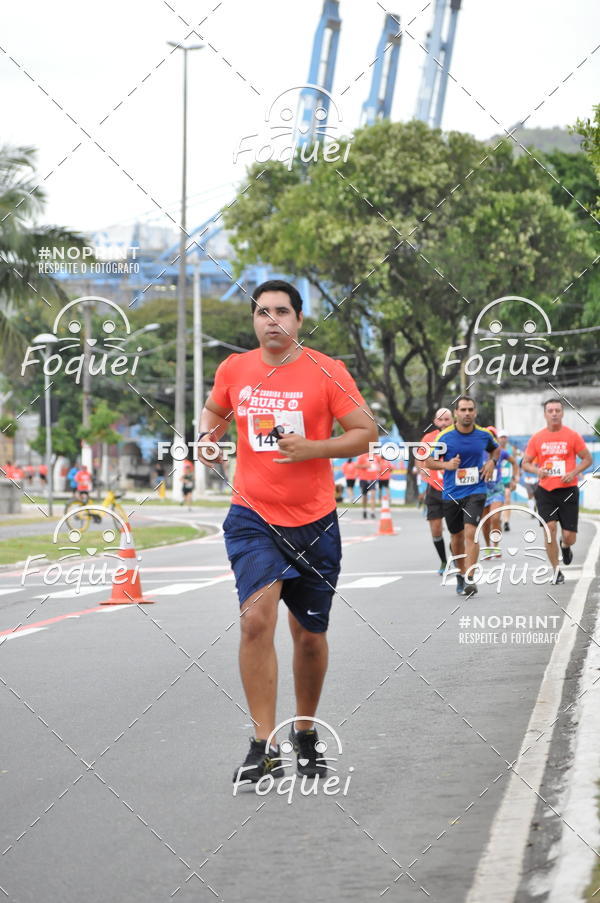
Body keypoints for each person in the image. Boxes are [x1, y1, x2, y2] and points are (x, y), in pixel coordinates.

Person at [198, 279, 377, 785]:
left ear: (298, 319)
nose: (271, 320)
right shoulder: (235, 369)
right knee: (257, 619)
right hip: (252, 515)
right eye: (262, 312)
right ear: (253, 321)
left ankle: (304, 730)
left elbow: (365, 433)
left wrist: (313, 449)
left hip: (314, 521)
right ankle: (263, 742)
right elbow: (214, 411)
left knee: (309, 636)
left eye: (281, 311)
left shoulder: (326, 370)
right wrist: (207, 438)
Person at [423, 396, 499, 596]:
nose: (467, 413)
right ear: (456, 413)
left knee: (470, 533)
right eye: (463, 409)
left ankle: (470, 578)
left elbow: (496, 450)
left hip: (476, 491)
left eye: (470, 409)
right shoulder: (445, 437)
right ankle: (460, 573)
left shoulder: (483, 435)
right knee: (456, 537)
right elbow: (428, 462)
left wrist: (492, 462)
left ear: (475, 412)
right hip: (451, 494)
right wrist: (447, 465)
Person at [521, 398, 592, 585]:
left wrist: (574, 472)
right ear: (545, 414)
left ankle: (565, 545)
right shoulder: (537, 438)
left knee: (570, 536)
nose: (554, 413)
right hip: (545, 491)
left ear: (562, 413)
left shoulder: (572, 436)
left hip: (568, 490)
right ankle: (556, 570)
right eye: (550, 410)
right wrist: (538, 470)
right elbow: (525, 463)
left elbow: (587, 459)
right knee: (549, 528)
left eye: (557, 410)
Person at [417, 407, 453, 574]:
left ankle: (457, 559)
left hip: (454, 489)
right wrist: (423, 474)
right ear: (435, 421)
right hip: (434, 489)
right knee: (436, 529)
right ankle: (444, 561)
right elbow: (419, 459)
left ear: (453, 420)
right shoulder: (428, 438)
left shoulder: (458, 436)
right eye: (441, 420)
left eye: (447, 419)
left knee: (456, 531)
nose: (444, 423)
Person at [481, 426, 519, 559]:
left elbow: (514, 463)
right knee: (485, 523)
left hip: (497, 489)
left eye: (493, 436)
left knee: (495, 518)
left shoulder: (500, 452)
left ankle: (496, 546)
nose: (490, 438)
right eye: (488, 435)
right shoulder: (478, 451)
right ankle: (488, 546)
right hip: (481, 490)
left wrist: (515, 478)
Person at [497, 431, 517, 531]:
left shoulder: (511, 449)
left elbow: (515, 464)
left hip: (507, 479)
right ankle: (499, 518)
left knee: (507, 498)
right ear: (498, 438)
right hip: (497, 480)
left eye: (505, 437)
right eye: (501, 437)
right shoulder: (495, 449)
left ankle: (506, 521)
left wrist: (514, 478)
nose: (503, 439)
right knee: (498, 501)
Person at [356, 449, 379, 519]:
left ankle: (372, 512)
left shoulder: (376, 457)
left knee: (373, 495)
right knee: (365, 496)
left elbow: (379, 465)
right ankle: (364, 510)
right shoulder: (362, 457)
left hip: (373, 479)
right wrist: (365, 466)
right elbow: (357, 466)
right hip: (364, 479)